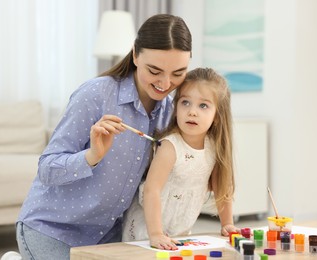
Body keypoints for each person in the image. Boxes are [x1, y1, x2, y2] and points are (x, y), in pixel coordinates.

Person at [15, 14, 192, 260]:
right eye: (155, 70)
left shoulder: (169, 112)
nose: (165, 83)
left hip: (106, 235)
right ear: (135, 55)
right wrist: (92, 156)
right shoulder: (96, 95)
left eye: (178, 73)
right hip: (52, 229)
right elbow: (46, 168)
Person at [122, 67, 240, 250]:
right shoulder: (170, 146)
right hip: (147, 230)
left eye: (203, 106)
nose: (192, 111)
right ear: (176, 108)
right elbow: (151, 190)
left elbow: (222, 187)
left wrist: (227, 223)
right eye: (185, 102)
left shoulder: (213, 149)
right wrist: (155, 234)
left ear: (217, 116)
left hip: (180, 231)